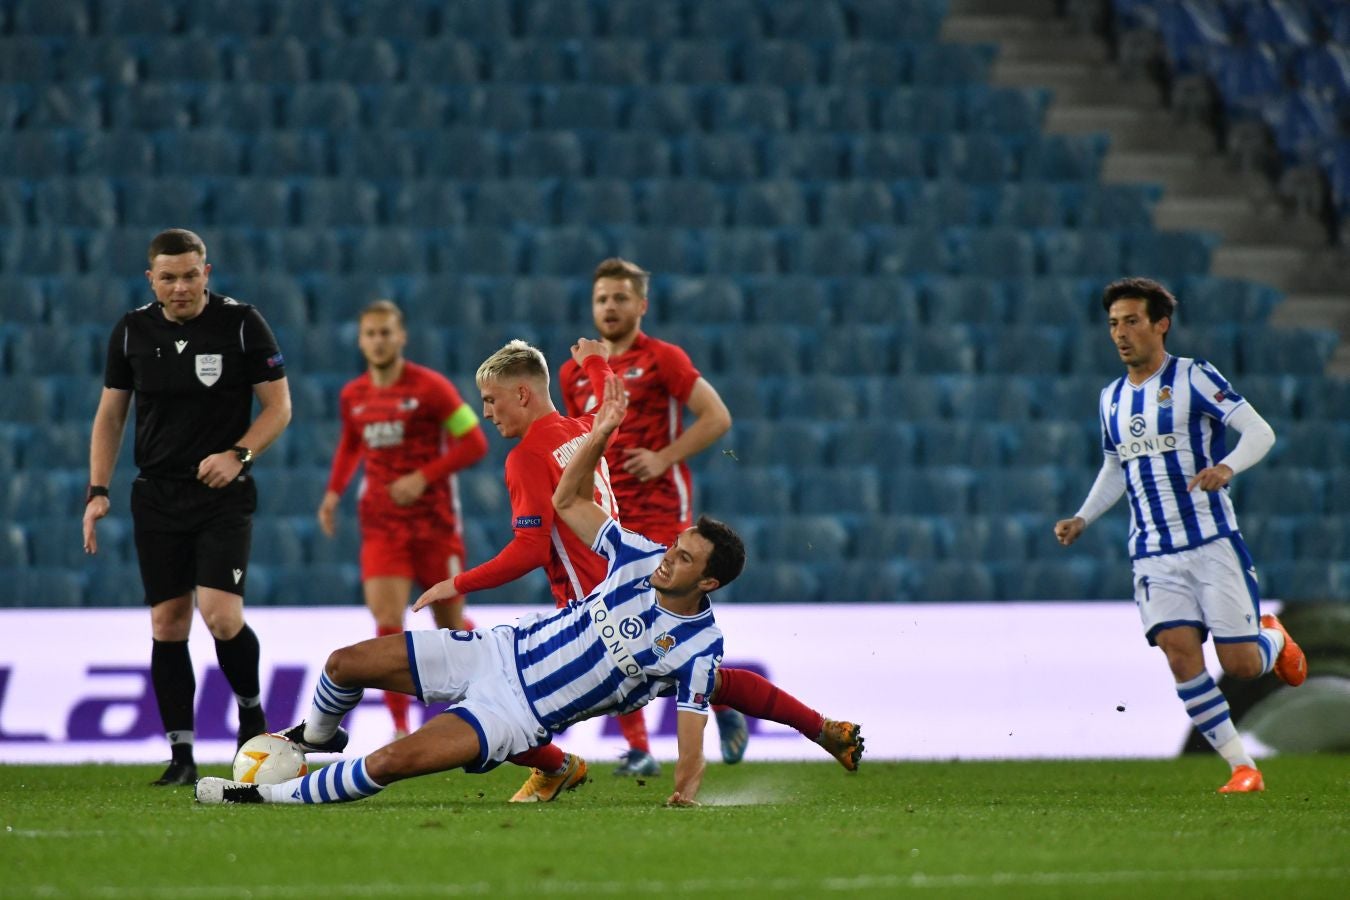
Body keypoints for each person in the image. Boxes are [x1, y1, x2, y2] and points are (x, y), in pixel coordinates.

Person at [194, 372, 744, 808]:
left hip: (519, 704)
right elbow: (573, 498)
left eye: (490, 400)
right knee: (343, 664)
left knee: (388, 763)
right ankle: (317, 739)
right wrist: (600, 408)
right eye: (677, 545)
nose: (485, 412)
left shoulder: (696, 643)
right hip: (503, 647)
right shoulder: (623, 524)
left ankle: (258, 794)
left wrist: (686, 788)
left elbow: (531, 549)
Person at [558, 258, 849, 777]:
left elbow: (717, 416)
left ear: (641, 305)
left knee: (664, 628)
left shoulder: (663, 359)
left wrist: (664, 457)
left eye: (621, 297)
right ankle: (669, 731)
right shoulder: (574, 370)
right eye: (602, 298)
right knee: (613, 624)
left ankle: (694, 717)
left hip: (659, 511)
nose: (610, 306)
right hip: (605, 510)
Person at [1054, 277, 1307, 794]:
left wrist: (1227, 468)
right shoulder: (1111, 399)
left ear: (1159, 324)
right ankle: (1243, 768)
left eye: (1130, 321)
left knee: (1239, 665)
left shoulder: (1194, 377)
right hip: (1151, 551)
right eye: (1112, 325)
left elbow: (1260, 432)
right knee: (1178, 652)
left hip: (1211, 541)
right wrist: (1083, 516)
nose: (1120, 334)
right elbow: (1115, 465)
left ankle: (1273, 635)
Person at [82, 228, 292, 786]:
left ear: (207, 272)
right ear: (151, 279)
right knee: (167, 622)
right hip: (157, 494)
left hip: (222, 494)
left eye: (190, 274)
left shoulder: (242, 323)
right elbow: (110, 415)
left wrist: (238, 454)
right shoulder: (132, 330)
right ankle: (181, 755)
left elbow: (279, 407)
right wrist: (97, 491)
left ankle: (252, 719)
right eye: (168, 277)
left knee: (221, 616)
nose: (180, 287)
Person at [317, 300, 489, 739]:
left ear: (401, 336)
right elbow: (350, 445)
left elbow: (474, 441)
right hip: (382, 527)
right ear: (360, 341)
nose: (378, 340)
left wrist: (423, 476)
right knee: (388, 624)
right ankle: (399, 727)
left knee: (451, 628)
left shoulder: (434, 388)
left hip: (435, 526)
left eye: (386, 332)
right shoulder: (352, 395)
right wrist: (334, 494)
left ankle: (490, 690)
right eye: (370, 333)